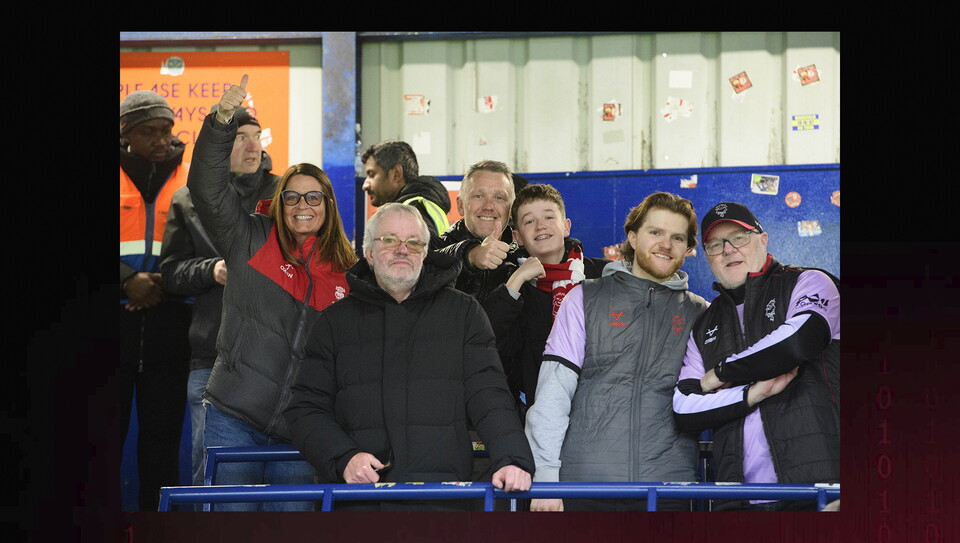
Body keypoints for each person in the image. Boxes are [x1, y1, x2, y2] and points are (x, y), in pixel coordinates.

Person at [285, 203, 534, 511]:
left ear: (426, 252)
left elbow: (489, 395)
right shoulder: (334, 322)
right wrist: (343, 457)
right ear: (370, 252)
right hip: (359, 504)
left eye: (414, 242)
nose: (402, 250)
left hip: (443, 503)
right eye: (389, 239)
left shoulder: (464, 313)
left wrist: (511, 458)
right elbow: (305, 408)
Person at [187, 74, 358, 511]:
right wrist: (221, 122)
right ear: (278, 202)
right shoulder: (250, 238)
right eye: (292, 198)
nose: (303, 207)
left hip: (302, 431)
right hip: (232, 415)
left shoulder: (350, 272)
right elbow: (207, 188)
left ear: (330, 205)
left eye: (314, 198)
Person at [524, 192, 709, 512]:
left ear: (687, 248)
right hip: (586, 487)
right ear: (633, 237)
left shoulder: (700, 313)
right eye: (655, 232)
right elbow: (553, 395)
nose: (666, 244)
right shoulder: (584, 299)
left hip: (667, 490)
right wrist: (545, 477)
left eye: (677, 237)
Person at [672, 202, 840, 511]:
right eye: (715, 244)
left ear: (762, 240)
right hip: (735, 503)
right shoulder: (704, 324)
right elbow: (684, 408)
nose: (727, 250)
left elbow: (797, 341)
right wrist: (750, 393)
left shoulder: (809, 283)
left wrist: (720, 374)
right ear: (707, 257)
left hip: (820, 493)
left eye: (739, 237)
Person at [159, 106, 279, 491]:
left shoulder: (287, 194)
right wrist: (212, 270)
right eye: (239, 137)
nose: (251, 146)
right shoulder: (189, 198)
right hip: (211, 359)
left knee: (284, 475)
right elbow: (171, 273)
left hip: (279, 360)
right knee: (211, 473)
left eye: (256, 136)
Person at [119, 90, 192, 511]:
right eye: (150, 132)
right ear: (126, 134)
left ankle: (157, 529)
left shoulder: (189, 174)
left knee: (162, 442)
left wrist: (165, 282)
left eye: (167, 130)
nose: (163, 140)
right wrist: (127, 280)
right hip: (117, 320)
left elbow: (207, 244)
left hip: (172, 323)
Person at [481, 184, 610, 417]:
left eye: (549, 217)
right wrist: (517, 279)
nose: (541, 225)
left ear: (566, 226)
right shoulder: (515, 288)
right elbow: (488, 340)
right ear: (518, 237)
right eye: (529, 221)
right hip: (543, 416)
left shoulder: (603, 276)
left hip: (602, 413)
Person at [436, 160, 518, 304]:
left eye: (499, 197)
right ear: (460, 205)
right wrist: (470, 255)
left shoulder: (521, 258)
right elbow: (431, 264)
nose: (488, 206)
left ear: (510, 210)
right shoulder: (432, 248)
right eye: (479, 196)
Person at [361, 140, 451, 246]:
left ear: (396, 174)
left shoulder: (410, 212)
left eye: (372, 175)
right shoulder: (422, 205)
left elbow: (424, 258)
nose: (365, 186)